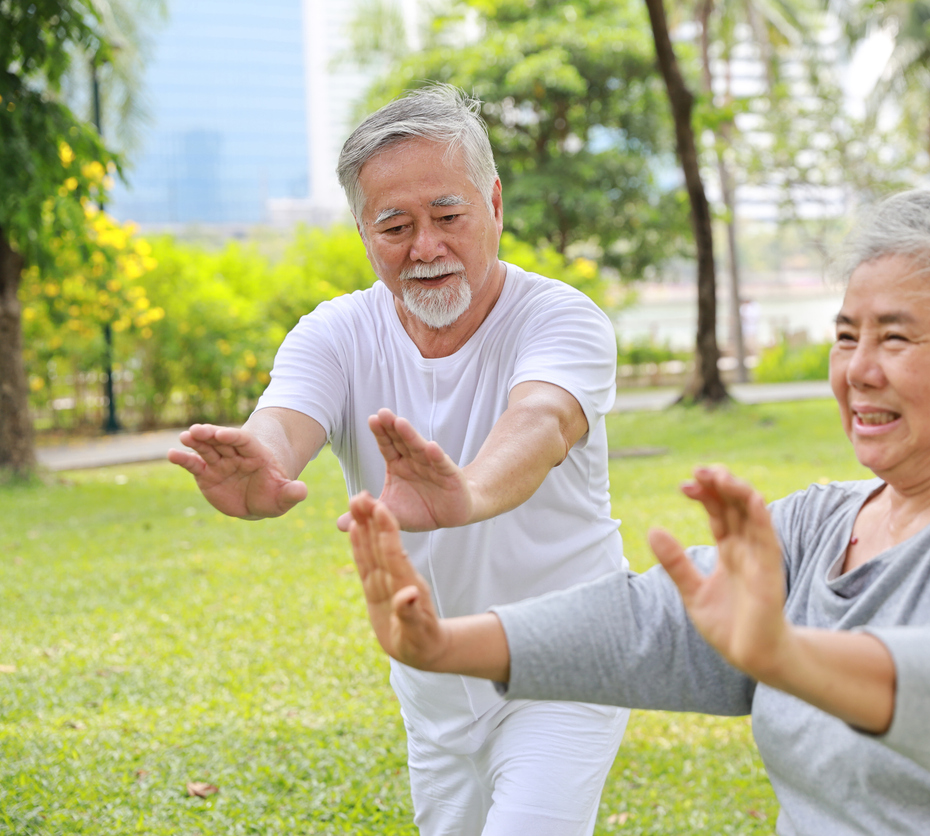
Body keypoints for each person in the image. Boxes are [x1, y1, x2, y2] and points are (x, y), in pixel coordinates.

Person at [345, 173, 930, 834]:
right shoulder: (822, 524)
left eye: (895, 339)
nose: (858, 370)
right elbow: (650, 625)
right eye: (846, 335)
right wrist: (444, 644)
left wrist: (785, 656)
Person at [167, 85, 629, 836]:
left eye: (449, 217)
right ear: (362, 231)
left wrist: (465, 492)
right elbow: (286, 421)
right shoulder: (335, 334)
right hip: (433, 682)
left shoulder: (560, 318)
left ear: (495, 204)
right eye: (395, 226)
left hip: (567, 661)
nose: (426, 248)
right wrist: (263, 457)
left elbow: (541, 423)